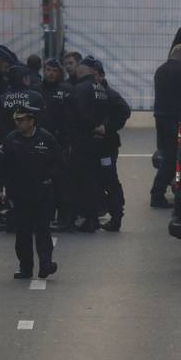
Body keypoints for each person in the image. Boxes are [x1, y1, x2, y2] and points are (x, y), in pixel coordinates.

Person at [0, 105, 64, 279]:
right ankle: (25, 267)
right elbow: (0, 165)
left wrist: (50, 177)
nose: (18, 123)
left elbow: (60, 162)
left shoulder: (46, 138)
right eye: (16, 120)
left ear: (32, 121)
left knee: (42, 230)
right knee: (22, 233)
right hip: (19, 194)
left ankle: (46, 264)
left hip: (43, 193)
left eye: (22, 120)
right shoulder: (10, 139)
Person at [69, 56, 111, 232]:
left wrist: (89, 127)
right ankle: (93, 216)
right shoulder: (100, 88)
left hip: (83, 140)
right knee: (94, 179)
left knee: (82, 180)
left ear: (82, 70)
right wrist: (99, 127)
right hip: (98, 141)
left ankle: (88, 218)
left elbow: (78, 113)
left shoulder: (79, 89)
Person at [91, 59, 130, 232]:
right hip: (97, 144)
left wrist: (107, 127)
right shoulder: (95, 92)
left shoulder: (109, 94)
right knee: (96, 178)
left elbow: (124, 111)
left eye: (94, 75)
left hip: (106, 145)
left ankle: (116, 214)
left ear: (101, 75)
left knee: (108, 178)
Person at [150, 43, 181, 208]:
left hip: (161, 118)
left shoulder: (160, 70)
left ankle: (159, 192)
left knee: (167, 155)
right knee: (173, 158)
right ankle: (157, 194)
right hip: (175, 119)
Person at [39, 58, 76, 231]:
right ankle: (45, 216)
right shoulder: (37, 90)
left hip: (61, 142)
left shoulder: (67, 90)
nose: (50, 73)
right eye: (47, 69)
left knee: (62, 181)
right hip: (40, 141)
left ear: (59, 72)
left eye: (54, 70)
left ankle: (64, 218)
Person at [0, 64, 47, 146]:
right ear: (24, 79)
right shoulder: (36, 97)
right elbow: (43, 121)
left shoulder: (1, 99)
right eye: (28, 77)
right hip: (32, 144)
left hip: (7, 144)